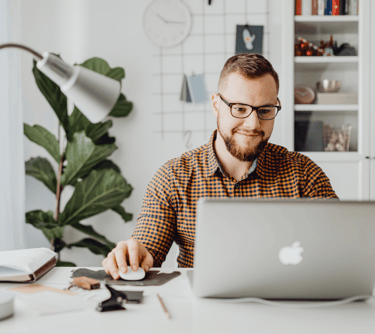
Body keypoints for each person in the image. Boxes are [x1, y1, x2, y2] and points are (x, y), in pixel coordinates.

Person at [102, 53, 338, 279]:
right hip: (201, 312)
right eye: (240, 108)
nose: (253, 123)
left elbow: (341, 245)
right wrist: (133, 256)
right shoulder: (173, 176)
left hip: (286, 308)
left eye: (265, 110)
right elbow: (147, 248)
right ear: (216, 104)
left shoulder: (304, 173)